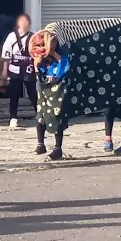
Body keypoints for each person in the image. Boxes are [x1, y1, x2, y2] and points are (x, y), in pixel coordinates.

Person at [31, 29, 70, 160]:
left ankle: (57, 148)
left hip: (57, 90)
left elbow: (64, 66)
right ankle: (40, 144)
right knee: (41, 115)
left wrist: (52, 52)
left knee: (56, 116)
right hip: (43, 89)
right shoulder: (41, 58)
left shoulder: (60, 57)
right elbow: (38, 72)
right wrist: (36, 65)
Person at [1, 14, 37, 130]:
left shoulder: (34, 36)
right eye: (22, 21)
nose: (24, 24)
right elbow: (6, 54)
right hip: (15, 68)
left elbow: (38, 53)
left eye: (26, 21)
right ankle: (13, 117)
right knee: (14, 94)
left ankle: (39, 115)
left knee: (33, 92)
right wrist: (4, 69)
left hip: (29, 68)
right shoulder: (12, 36)